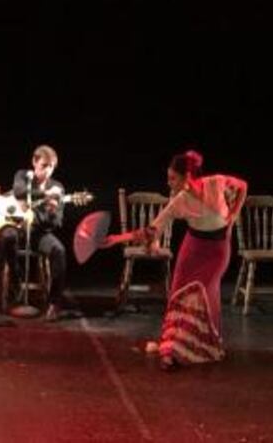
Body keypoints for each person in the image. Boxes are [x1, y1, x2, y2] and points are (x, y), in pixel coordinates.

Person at [103, 150, 247, 370]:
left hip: (217, 251)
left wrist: (234, 214)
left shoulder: (216, 182)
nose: (168, 183)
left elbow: (243, 186)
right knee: (179, 295)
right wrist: (117, 238)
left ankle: (200, 346)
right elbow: (152, 230)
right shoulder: (179, 200)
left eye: (172, 178)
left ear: (187, 176)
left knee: (203, 296)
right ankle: (172, 350)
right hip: (193, 249)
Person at [0, 144, 78, 321]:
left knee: (59, 250)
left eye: (51, 167)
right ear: (34, 162)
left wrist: (51, 212)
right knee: (7, 237)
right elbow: (19, 192)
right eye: (44, 165)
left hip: (38, 233)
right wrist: (44, 195)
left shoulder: (57, 188)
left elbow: (56, 223)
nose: (47, 170)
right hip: (17, 228)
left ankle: (53, 303)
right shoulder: (23, 176)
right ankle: (16, 281)